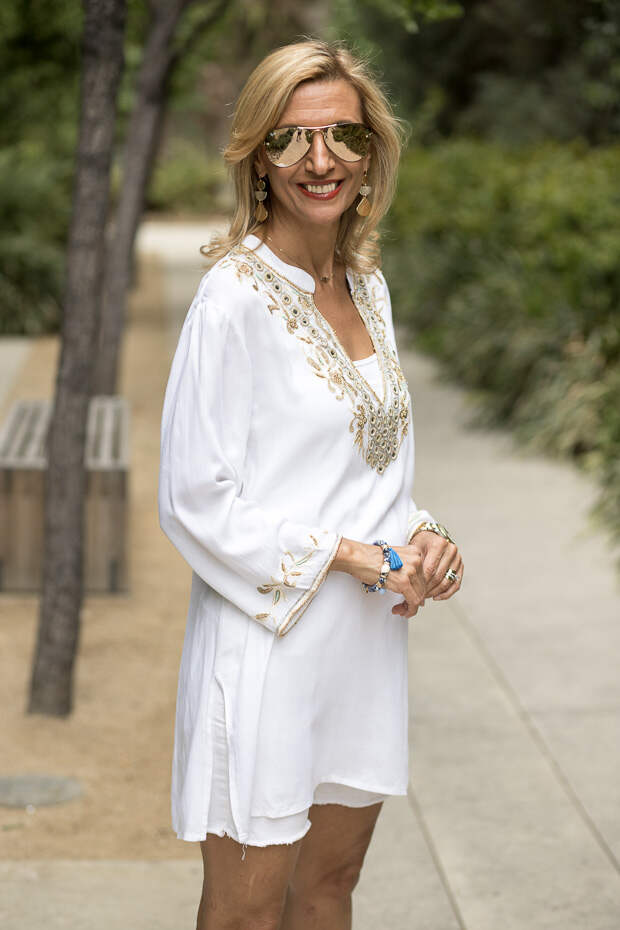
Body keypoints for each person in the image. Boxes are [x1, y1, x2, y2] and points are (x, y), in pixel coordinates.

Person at [158, 38, 464, 930]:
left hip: (363, 645)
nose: (321, 162)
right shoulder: (233, 300)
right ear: (258, 156)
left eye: (343, 137)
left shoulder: (369, 286)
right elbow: (195, 499)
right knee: (248, 913)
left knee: (330, 893)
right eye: (292, 139)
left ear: (373, 153)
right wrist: (357, 555)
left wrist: (426, 540)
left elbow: (370, 467)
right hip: (270, 642)